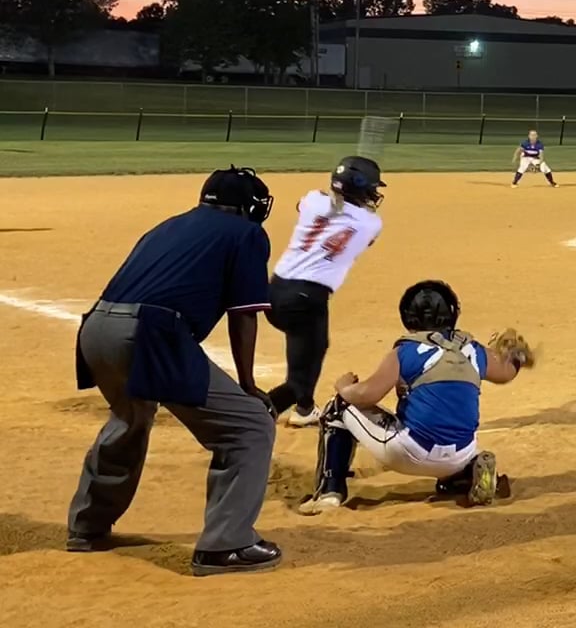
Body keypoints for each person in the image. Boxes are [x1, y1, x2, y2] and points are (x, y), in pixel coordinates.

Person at [67, 166, 283, 576]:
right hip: (149, 333)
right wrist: (248, 384)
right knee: (250, 426)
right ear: (248, 207)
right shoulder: (245, 233)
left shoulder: (168, 225)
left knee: (130, 417)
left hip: (95, 328)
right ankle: (226, 545)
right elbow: (243, 315)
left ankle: (87, 528)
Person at [298, 280, 526, 514]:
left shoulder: (406, 351)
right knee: (452, 446)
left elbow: (367, 395)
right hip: (460, 454)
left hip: (411, 453)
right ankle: (464, 476)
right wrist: (516, 354)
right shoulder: (473, 350)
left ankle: (329, 493)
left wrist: (344, 387)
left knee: (339, 405)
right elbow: (507, 372)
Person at [266, 156, 387, 428]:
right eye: (371, 188)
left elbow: (305, 205)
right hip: (306, 301)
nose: (374, 194)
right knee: (300, 377)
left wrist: (335, 201)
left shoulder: (313, 201)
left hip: (275, 291)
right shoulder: (371, 223)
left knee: (311, 347)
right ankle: (259, 411)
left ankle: (305, 408)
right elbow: (362, 238)